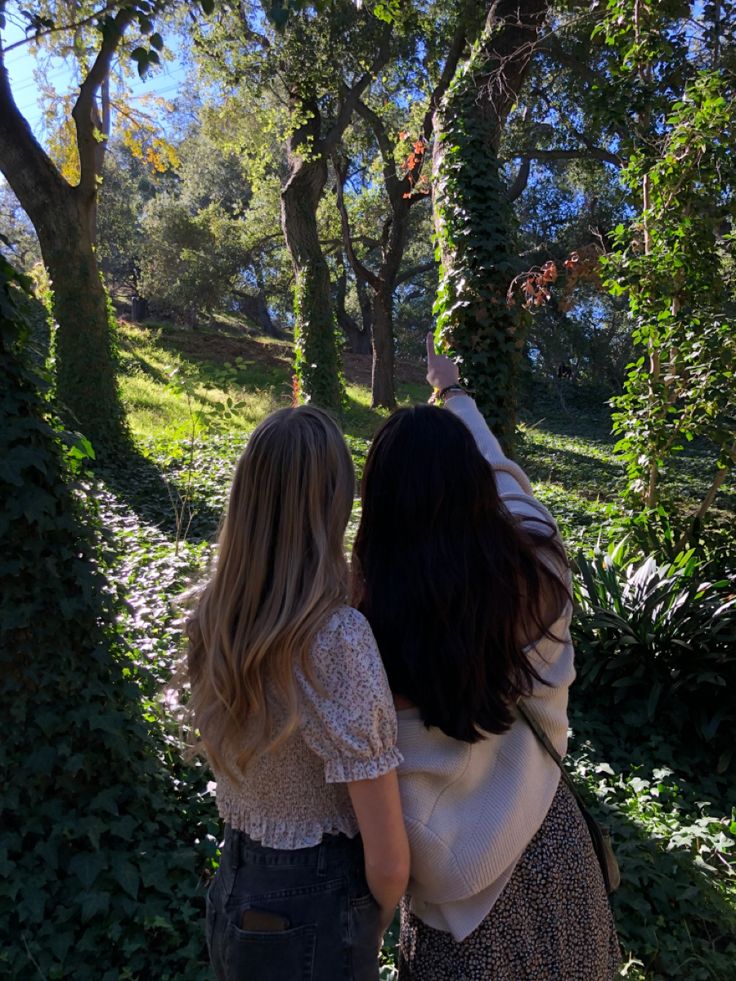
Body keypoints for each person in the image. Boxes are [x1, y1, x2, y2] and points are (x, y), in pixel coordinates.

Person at [351, 336, 620, 980]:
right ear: (478, 493)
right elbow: (508, 478)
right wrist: (453, 392)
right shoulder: (542, 576)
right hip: (552, 861)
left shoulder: (358, 629)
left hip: (450, 917)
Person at [185, 405, 410, 981]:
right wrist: (370, 927)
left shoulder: (216, 615)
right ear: (334, 505)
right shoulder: (336, 637)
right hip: (315, 905)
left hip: (235, 883)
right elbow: (387, 861)